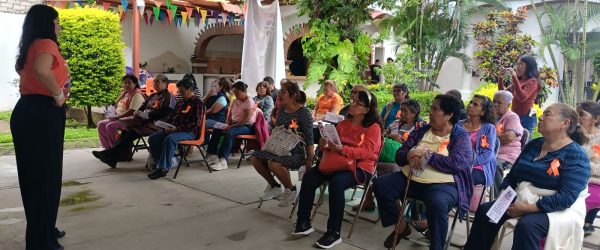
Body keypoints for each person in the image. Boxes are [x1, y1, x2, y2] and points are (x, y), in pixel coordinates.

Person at [464, 103, 590, 250]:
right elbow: (512, 177)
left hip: (557, 208)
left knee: (528, 226)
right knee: (486, 212)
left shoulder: (575, 155)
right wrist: (505, 198)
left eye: (547, 114)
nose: (541, 117)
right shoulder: (534, 145)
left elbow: (566, 197)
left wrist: (527, 208)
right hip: (520, 197)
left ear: (565, 123)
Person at [373, 94, 473, 250]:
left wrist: (427, 156)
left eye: (435, 109)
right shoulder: (422, 131)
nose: (431, 112)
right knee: (380, 185)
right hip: (410, 177)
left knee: (437, 203)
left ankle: (437, 247)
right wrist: (409, 154)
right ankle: (401, 228)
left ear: (449, 115)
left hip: (443, 185)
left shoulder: (460, 136)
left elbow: (458, 163)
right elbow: (399, 156)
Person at [292, 90, 382, 249]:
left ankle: (333, 233)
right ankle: (303, 222)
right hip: (336, 163)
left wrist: (341, 149)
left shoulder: (373, 128)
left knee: (336, 182)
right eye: (352, 100)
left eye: (356, 103)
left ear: (367, 109)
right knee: (310, 176)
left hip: (361, 167)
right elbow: (332, 145)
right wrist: (324, 146)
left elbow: (366, 153)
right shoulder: (343, 124)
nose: (351, 104)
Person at [11, 5, 69, 249]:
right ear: (48, 23)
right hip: (43, 113)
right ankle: (40, 240)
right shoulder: (46, 43)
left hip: (26, 111)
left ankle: (44, 228)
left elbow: (28, 72)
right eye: (56, 22)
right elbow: (42, 71)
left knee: (34, 177)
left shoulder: (29, 45)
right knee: (46, 177)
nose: (59, 26)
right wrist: (57, 95)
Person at [353, 99, 424, 212]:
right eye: (401, 110)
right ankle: (368, 199)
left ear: (414, 113)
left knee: (391, 169)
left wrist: (405, 143)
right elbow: (382, 135)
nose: (402, 113)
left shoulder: (419, 126)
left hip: (403, 161)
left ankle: (396, 207)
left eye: (405, 111)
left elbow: (420, 147)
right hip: (386, 156)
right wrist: (391, 135)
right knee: (367, 164)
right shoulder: (395, 123)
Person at [252, 81, 314, 207]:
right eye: (280, 91)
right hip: (280, 148)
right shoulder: (282, 111)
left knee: (273, 163)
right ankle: (274, 186)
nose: (279, 94)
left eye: (283, 92)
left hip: (296, 153)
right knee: (255, 158)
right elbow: (278, 131)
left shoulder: (304, 112)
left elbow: (309, 138)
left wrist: (309, 159)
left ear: (292, 95)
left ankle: (290, 189)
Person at [92, 74, 175, 168]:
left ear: (165, 83)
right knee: (125, 131)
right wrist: (137, 113)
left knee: (131, 132)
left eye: (157, 82)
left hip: (158, 124)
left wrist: (148, 115)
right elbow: (142, 107)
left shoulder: (169, 97)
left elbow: (165, 113)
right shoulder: (152, 96)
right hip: (144, 122)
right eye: (154, 82)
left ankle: (108, 154)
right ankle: (113, 157)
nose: (154, 84)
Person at [147, 78, 205, 179]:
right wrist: (163, 125)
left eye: (182, 91)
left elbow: (196, 124)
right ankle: (159, 163)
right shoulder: (180, 102)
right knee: (153, 138)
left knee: (170, 139)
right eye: (179, 91)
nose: (180, 93)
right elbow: (171, 118)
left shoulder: (198, 103)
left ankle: (163, 169)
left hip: (189, 133)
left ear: (190, 89)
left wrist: (177, 129)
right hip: (174, 130)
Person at [457, 94, 497, 211]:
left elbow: (486, 155)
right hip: (456, 163)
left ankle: (456, 204)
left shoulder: (488, 128)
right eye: (470, 102)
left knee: (457, 178)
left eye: (475, 105)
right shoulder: (459, 124)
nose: (470, 106)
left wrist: (467, 163)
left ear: (483, 112)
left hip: (479, 167)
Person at [206, 81, 257, 171]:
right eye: (234, 93)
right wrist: (226, 124)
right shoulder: (235, 101)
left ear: (243, 91)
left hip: (247, 126)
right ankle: (212, 155)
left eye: (237, 93)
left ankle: (223, 160)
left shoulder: (249, 101)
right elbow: (230, 115)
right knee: (217, 129)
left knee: (229, 133)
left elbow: (245, 120)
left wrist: (230, 127)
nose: (235, 95)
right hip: (236, 124)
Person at [97, 75, 145, 148]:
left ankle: (115, 149)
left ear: (135, 84)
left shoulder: (137, 94)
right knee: (101, 124)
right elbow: (119, 106)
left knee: (110, 126)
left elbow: (132, 111)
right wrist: (112, 114)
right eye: (125, 83)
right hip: (120, 118)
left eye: (129, 83)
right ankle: (108, 148)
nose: (126, 85)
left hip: (132, 120)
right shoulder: (125, 93)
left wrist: (117, 117)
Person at [498, 55, 540, 133]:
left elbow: (522, 97)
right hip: (516, 115)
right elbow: (503, 95)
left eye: (521, 65)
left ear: (528, 67)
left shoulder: (532, 81)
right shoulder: (518, 81)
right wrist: (501, 77)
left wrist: (514, 77)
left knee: (523, 142)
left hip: (527, 118)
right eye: (517, 64)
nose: (517, 67)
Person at [492, 90, 523, 195]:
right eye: (494, 101)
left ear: (508, 105)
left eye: (499, 103)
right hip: (492, 153)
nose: (495, 105)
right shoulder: (492, 116)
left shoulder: (512, 117)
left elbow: (509, 137)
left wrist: (490, 137)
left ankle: (498, 199)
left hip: (507, 155)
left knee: (494, 165)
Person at [577, 101, 600, 235]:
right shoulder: (573, 134)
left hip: (595, 185)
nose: (577, 118)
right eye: (576, 114)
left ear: (596, 119)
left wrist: (578, 164)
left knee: (569, 204)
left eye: (582, 114)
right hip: (574, 181)